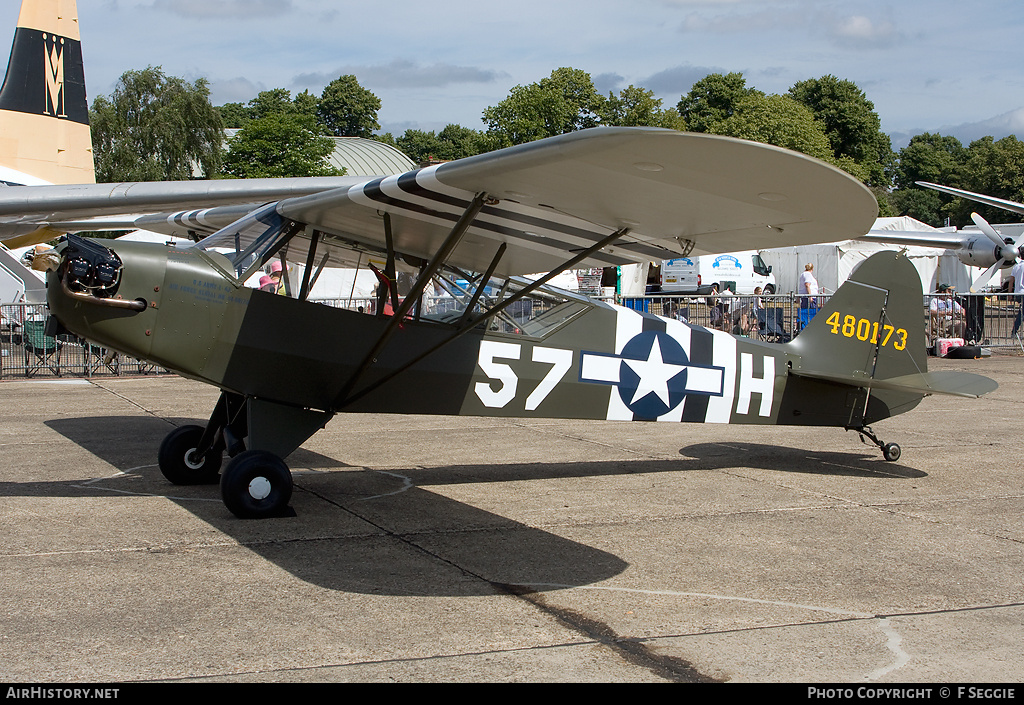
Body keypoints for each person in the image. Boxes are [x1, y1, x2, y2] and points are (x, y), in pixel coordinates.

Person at [1010, 258, 1024, 337]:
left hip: (1018, 293)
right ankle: (1014, 331)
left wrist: (1010, 294)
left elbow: (1011, 281)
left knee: (1021, 312)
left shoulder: (1016, 266)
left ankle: (1014, 331)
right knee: (1021, 314)